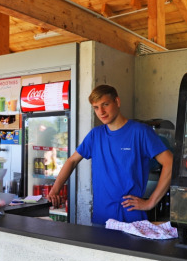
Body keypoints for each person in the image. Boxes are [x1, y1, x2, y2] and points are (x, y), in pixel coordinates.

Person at [47, 85, 173, 225]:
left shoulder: (140, 132)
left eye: (105, 105)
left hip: (131, 220)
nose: (101, 111)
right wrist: (55, 190)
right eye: (96, 107)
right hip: (101, 220)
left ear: (117, 102)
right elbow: (72, 161)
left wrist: (150, 202)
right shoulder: (95, 135)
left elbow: (170, 163)